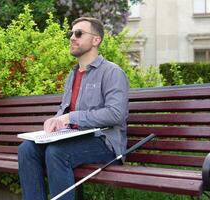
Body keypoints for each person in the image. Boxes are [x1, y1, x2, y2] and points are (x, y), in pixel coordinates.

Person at [18, 17, 129, 200]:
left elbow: (115, 114)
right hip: (72, 137)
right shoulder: (73, 74)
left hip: (104, 142)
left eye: (79, 33)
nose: (72, 37)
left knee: (57, 152)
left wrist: (70, 118)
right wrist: (56, 121)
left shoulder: (112, 72)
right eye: (71, 33)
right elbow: (65, 109)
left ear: (96, 40)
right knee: (26, 149)